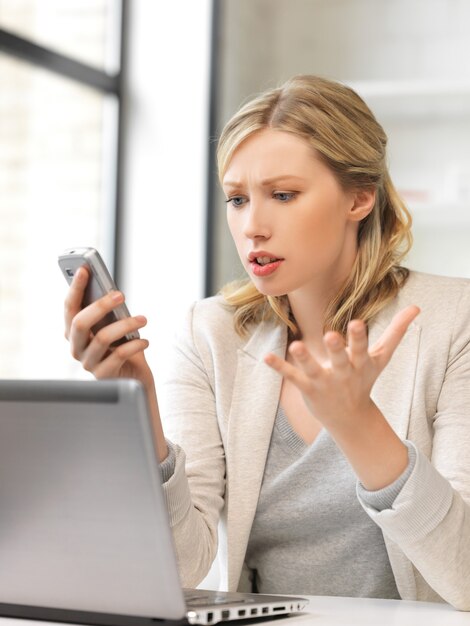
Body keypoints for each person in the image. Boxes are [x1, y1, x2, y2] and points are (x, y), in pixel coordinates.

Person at [64, 75, 470, 610]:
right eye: (236, 199)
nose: (253, 226)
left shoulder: (455, 321)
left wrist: (358, 424)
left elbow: (464, 574)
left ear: (360, 197)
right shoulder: (209, 334)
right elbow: (185, 566)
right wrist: (137, 408)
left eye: (283, 195)